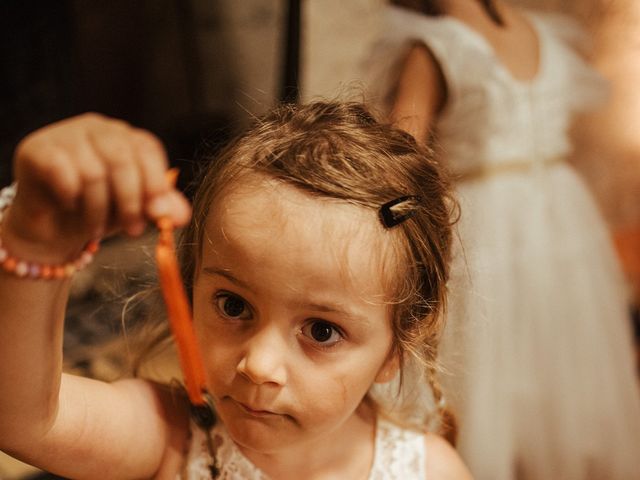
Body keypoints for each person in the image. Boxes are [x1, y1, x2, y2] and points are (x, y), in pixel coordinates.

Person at [0, 103, 473, 479]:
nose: (258, 366)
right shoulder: (170, 439)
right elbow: (25, 422)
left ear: (398, 347)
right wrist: (35, 242)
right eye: (233, 305)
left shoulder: (429, 472)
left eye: (323, 331)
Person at [364, 0, 640, 478]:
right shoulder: (435, 47)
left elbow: (399, 161)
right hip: (498, 219)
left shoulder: (543, 33)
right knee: (494, 365)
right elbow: (399, 160)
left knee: (558, 355)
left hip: (554, 225)